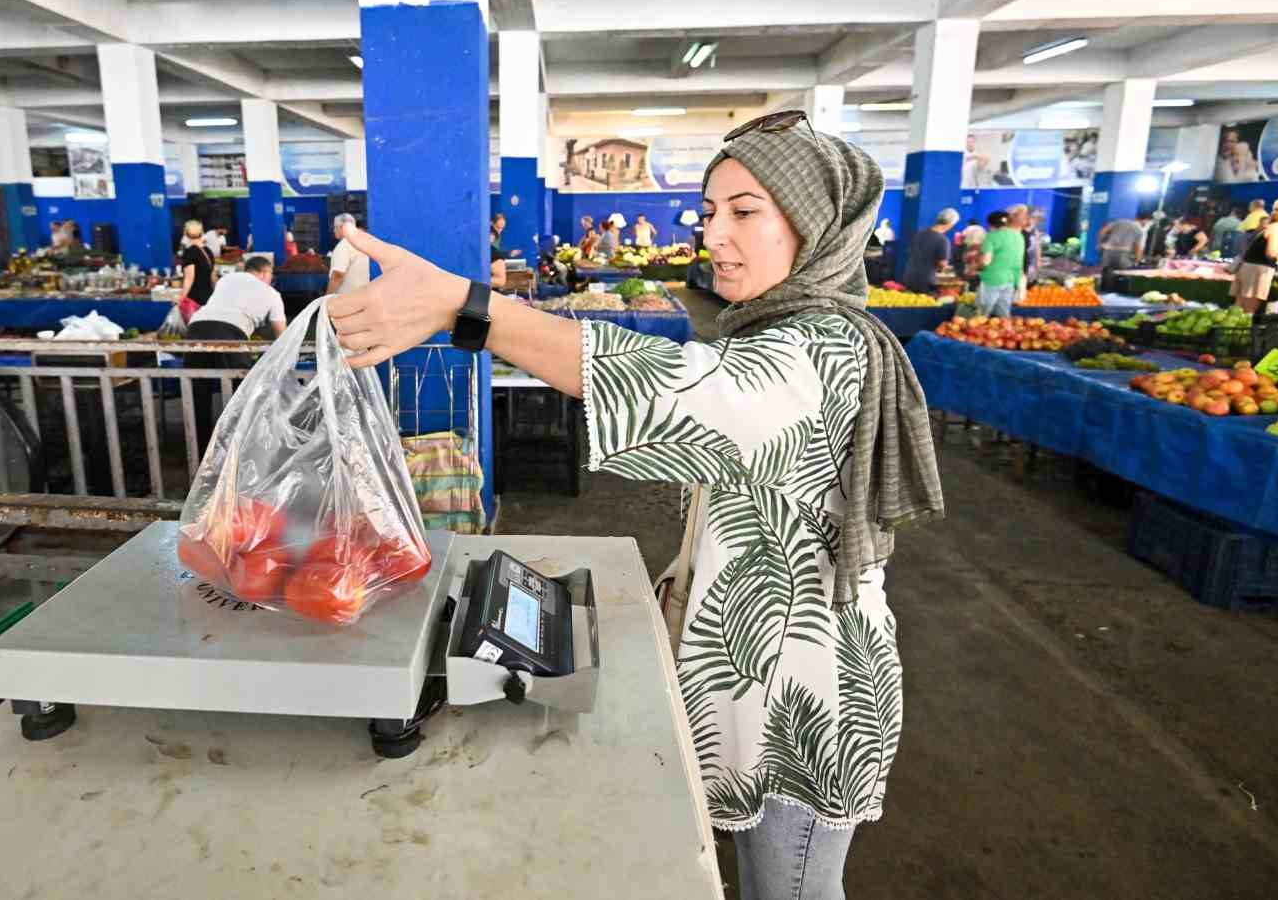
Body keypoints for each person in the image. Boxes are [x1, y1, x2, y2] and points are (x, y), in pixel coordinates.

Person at [325, 112, 941, 900]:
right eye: (710, 211)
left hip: (805, 707)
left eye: (744, 211)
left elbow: (673, 390)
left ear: (815, 225)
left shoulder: (819, 348)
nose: (713, 233)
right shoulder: (780, 332)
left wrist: (465, 307)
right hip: (756, 676)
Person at [187, 255, 287, 454]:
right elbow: (282, 335)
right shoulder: (272, 293)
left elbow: (223, 306)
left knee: (197, 391)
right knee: (239, 392)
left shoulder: (226, 280)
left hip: (196, 329)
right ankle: (235, 451)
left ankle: (199, 451)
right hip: (230, 334)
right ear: (266, 272)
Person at [1232, 200, 1278, 313]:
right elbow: (1271, 253)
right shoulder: (1276, 229)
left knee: (1237, 308)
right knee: (1249, 310)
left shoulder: (1267, 227)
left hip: (1246, 267)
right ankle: (1244, 329)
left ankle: (1233, 329)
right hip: (1257, 271)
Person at [976, 210, 1023, 318]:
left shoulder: (992, 236)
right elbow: (1019, 261)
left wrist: (976, 268)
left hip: (991, 280)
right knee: (1003, 316)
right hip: (1010, 280)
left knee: (981, 315)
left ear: (991, 225)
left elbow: (985, 261)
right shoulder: (1019, 237)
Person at [903, 207, 959, 294]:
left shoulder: (920, 233)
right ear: (951, 224)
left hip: (909, 276)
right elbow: (942, 264)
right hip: (926, 281)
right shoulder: (943, 240)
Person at [176, 219, 215, 318]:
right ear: (202, 232)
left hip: (194, 300)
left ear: (185, 233)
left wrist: (181, 298)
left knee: (193, 329)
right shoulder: (208, 251)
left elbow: (189, 278)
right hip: (208, 298)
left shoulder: (190, 252)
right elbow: (213, 277)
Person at [327, 213, 370, 295]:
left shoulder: (344, 245)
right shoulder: (363, 242)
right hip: (363, 296)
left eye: (335, 227)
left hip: (348, 299)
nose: (334, 230)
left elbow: (337, 275)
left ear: (342, 227)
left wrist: (327, 298)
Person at [1097, 215, 1148, 280]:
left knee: (1105, 272)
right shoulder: (1139, 230)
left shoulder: (1120, 221)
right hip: (1124, 254)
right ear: (1144, 220)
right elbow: (1137, 247)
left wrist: (1099, 243)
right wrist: (1137, 260)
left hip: (1108, 251)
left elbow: (1103, 230)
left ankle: (1103, 287)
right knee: (1121, 275)